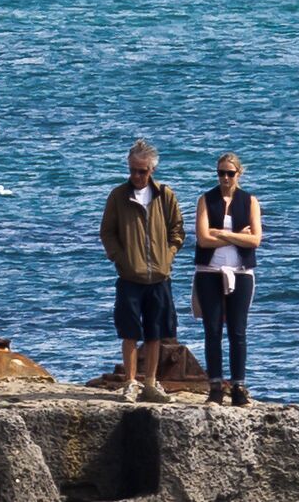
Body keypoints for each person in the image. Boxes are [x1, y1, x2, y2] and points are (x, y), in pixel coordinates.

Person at [100, 140, 185, 402]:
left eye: (142, 171)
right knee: (129, 331)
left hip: (159, 276)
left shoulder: (165, 195)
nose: (137, 176)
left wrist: (167, 257)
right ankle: (130, 383)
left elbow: (177, 230)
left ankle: (150, 383)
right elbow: (108, 232)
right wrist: (120, 259)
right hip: (129, 276)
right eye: (133, 170)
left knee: (155, 331)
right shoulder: (118, 196)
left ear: (151, 170)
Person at [194, 153, 262, 405]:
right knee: (212, 329)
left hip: (241, 272)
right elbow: (202, 239)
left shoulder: (250, 201)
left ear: (239, 174)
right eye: (221, 173)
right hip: (209, 272)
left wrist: (221, 233)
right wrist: (236, 235)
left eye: (230, 173)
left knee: (238, 330)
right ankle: (214, 385)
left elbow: (255, 240)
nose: (224, 178)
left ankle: (238, 386)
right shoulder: (205, 200)